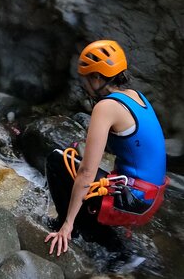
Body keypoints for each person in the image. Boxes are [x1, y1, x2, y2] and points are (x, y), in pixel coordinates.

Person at [45, 40, 168, 257]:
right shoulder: (136, 97)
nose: (83, 84)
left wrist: (68, 222)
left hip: (133, 200)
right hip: (151, 198)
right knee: (73, 163)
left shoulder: (106, 107)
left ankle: (74, 233)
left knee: (57, 159)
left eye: (85, 78)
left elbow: (86, 173)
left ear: (97, 77)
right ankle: (114, 246)